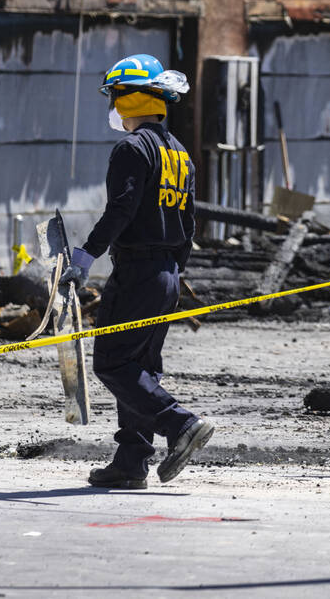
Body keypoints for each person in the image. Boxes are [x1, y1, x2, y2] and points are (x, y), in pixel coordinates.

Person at [61, 54, 213, 490]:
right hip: (165, 273)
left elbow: (121, 209)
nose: (111, 105)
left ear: (132, 99)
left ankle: (179, 423)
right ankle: (131, 463)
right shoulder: (180, 153)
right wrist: (173, 273)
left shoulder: (132, 148)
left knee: (111, 363)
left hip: (140, 272)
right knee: (140, 368)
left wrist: (85, 257)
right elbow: (189, 224)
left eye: (114, 96)